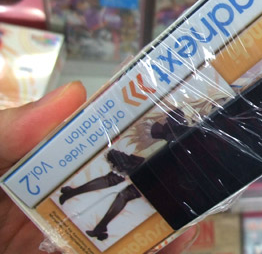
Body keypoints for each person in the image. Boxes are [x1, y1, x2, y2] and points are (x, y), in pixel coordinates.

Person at [0, 81, 199, 253]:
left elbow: (161, 132)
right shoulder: (183, 129)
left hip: (159, 168)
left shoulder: (186, 132)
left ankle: (89, 214)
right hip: (155, 163)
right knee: (119, 185)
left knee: (122, 188)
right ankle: (83, 206)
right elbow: (159, 131)